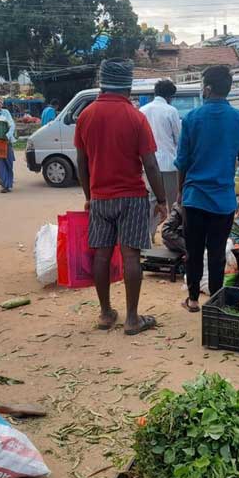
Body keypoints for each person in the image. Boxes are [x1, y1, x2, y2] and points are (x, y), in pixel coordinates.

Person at [74, 58, 167, 335]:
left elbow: (81, 161)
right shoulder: (135, 117)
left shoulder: (86, 116)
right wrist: (162, 200)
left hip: (101, 197)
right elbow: (150, 163)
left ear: (103, 85)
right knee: (131, 256)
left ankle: (105, 314)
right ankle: (131, 319)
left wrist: (89, 195)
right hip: (132, 197)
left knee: (101, 256)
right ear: (127, 86)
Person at [176, 65, 239, 313]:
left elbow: (183, 162)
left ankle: (192, 300)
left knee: (194, 250)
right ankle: (217, 301)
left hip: (195, 197)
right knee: (217, 253)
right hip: (223, 200)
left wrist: (181, 193)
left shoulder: (191, 118)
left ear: (207, 89)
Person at [140, 79, 181, 213]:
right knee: (173, 202)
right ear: (169, 97)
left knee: (152, 203)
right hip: (169, 163)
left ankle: (149, 233)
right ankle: (171, 231)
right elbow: (178, 138)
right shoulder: (171, 111)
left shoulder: (142, 110)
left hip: (149, 164)